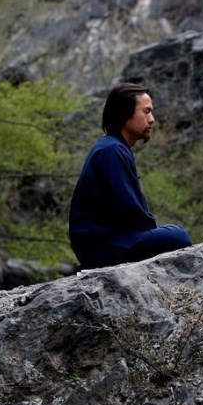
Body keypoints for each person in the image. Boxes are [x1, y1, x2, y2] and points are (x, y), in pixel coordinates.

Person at [68, 82, 192, 269]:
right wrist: (153, 230)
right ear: (125, 113)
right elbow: (130, 213)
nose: (152, 120)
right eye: (146, 111)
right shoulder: (112, 150)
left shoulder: (114, 147)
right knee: (178, 235)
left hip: (111, 242)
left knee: (172, 233)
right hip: (104, 248)